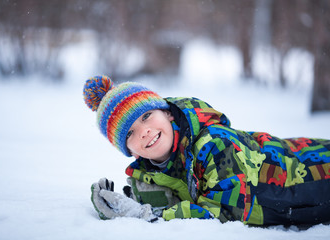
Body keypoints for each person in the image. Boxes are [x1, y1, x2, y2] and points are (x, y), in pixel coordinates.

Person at [84, 75, 330, 226]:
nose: (144, 132)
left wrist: (146, 216)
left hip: (316, 173)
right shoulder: (152, 172)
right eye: (130, 133)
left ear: (168, 113)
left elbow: (223, 214)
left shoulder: (214, 143)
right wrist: (127, 207)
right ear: (130, 151)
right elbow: (170, 203)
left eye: (147, 116)